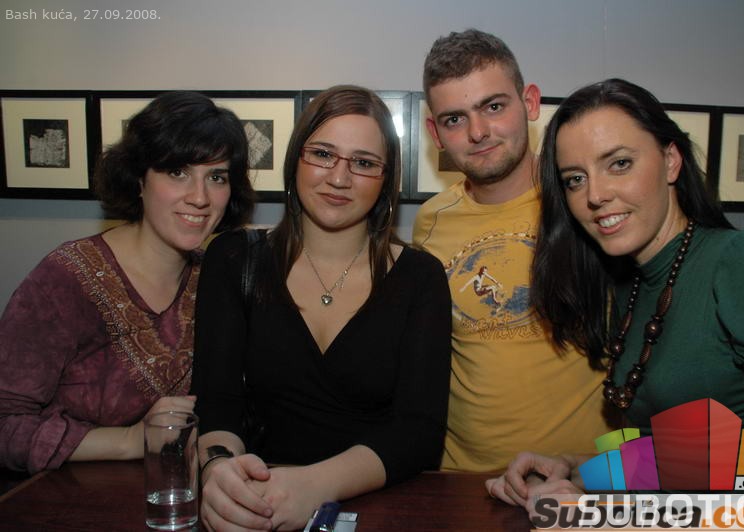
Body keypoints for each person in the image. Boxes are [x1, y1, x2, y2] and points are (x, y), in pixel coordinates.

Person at [487, 79, 744, 508]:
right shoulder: (632, 286)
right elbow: (693, 458)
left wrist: (609, 519)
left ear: (670, 161)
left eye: (619, 164)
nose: (595, 195)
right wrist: (573, 469)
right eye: (575, 179)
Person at [192, 85, 451, 531]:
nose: (339, 178)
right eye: (323, 154)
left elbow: (419, 432)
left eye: (364, 163)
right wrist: (219, 472)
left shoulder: (421, 277)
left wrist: (314, 485)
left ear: (387, 180)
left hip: (379, 507)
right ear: (296, 158)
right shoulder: (233, 259)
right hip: (257, 499)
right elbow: (217, 403)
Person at [0, 91, 255, 473]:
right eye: (178, 172)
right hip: (68, 495)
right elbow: (5, 424)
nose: (200, 197)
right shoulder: (65, 279)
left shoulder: (218, 278)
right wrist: (129, 440)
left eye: (216, 177)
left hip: (182, 492)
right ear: (138, 179)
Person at [413, 28, 612, 473]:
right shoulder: (430, 222)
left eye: (494, 107)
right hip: (459, 480)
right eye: (454, 119)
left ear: (530, 103)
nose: (478, 132)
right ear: (435, 133)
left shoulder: (588, 202)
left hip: (580, 479)